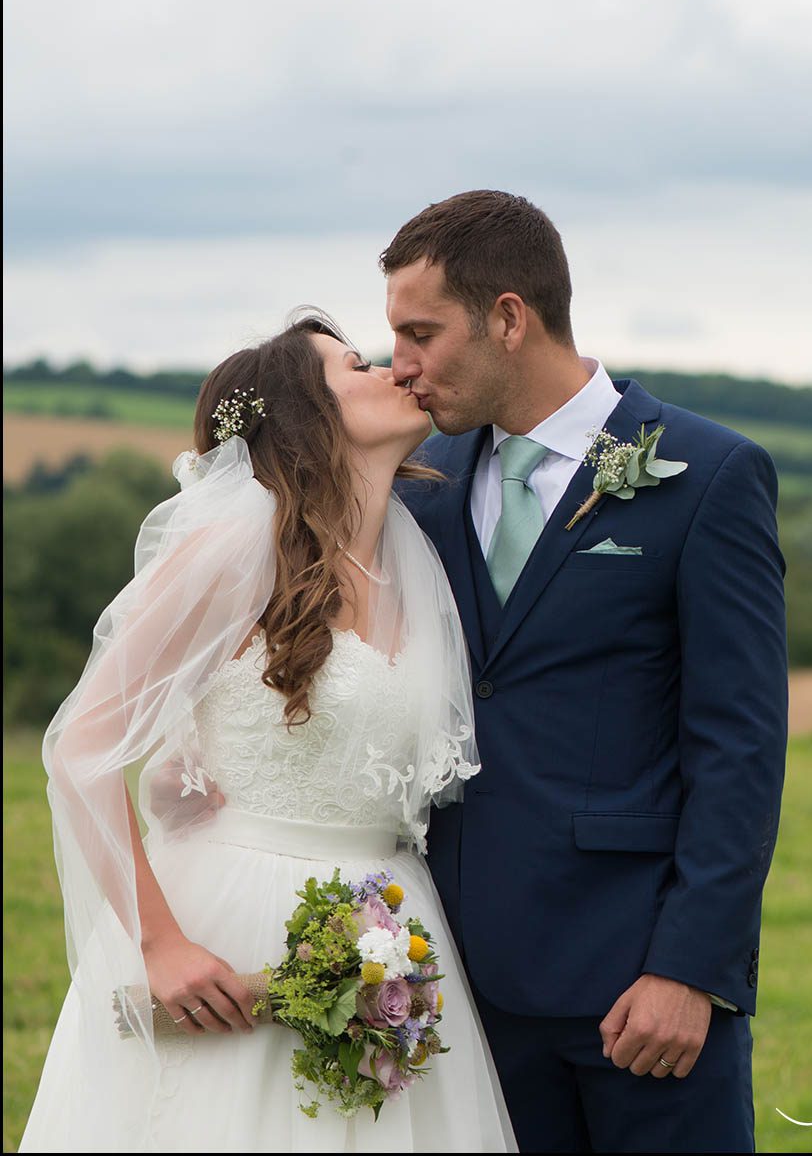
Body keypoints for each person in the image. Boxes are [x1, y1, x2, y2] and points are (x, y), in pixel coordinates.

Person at [19, 312, 517, 1152]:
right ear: (303, 416)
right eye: (356, 365)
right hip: (232, 919)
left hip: (389, 922)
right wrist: (162, 943)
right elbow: (80, 748)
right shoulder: (230, 553)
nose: (393, 371)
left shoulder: (415, 560)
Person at [383, 190, 789, 1152]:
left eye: (420, 332)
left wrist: (691, 971)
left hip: (638, 991)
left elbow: (740, 745)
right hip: (459, 993)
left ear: (509, 319)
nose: (399, 364)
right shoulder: (426, 484)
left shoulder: (710, 476)